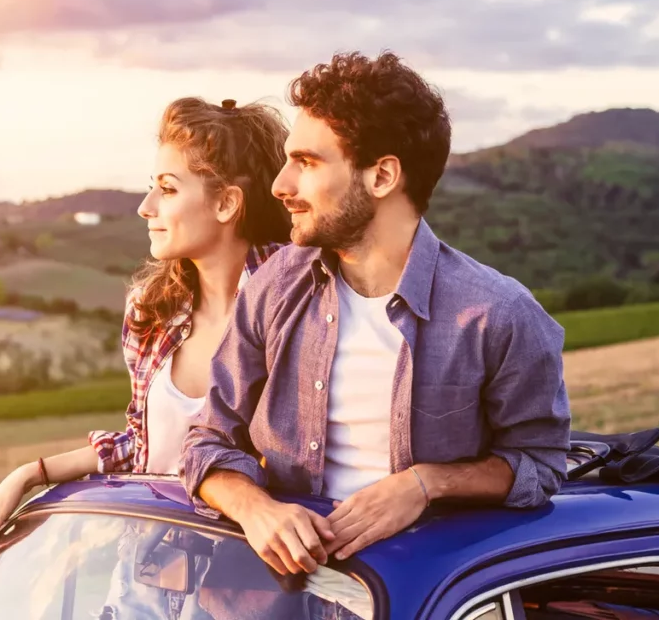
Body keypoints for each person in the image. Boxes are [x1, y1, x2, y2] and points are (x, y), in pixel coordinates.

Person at [181, 51, 572, 582]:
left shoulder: (498, 315)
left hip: (425, 597)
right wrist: (256, 509)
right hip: (281, 601)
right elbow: (207, 442)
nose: (280, 185)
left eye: (308, 162)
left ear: (383, 175)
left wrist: (426, 483)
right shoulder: (273, 287)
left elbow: (539, 464)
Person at [0, 96, 292, 555]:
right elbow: (145, 447)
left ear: (226, 203)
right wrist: (31, 474)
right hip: (146, 578)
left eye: (168, 188)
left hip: (250, 582)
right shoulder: (151, 311)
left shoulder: (295, 305)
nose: (145, 206)